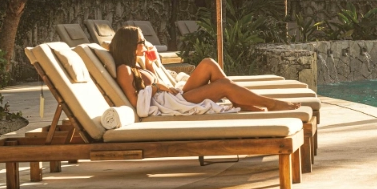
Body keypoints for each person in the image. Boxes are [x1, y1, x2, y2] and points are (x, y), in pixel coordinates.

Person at [111, 26, 300, 112]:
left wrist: (154, 63)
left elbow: (163, 80)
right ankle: (270, 104)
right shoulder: (124, 70)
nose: (146, 44)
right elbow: (136, 103)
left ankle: (241, 101)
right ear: (129, 45)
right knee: (224, 85)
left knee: (208, 63)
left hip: (174, 94)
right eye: (142, 41)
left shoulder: (139, 64)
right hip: (170, 102)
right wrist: (157, 88)